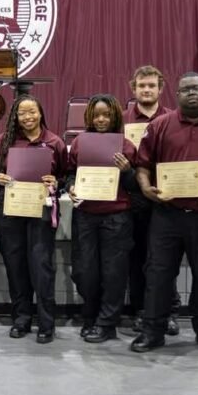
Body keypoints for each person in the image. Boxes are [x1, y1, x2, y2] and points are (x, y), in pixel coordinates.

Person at [131, 73, 198, 354]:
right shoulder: (160, 125)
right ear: (176, 95)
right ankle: (153, 331)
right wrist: (146, 188)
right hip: (167, 215)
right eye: (185, 89)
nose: (191, 93)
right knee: (158, 275)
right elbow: (142, 166)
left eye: (196, 88)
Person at [0, 95, 68, 344]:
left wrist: (56, 181)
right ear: (15, 116)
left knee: (41, 267)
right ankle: (21, 319)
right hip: (10, 212)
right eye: (22, 113)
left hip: (41, 212)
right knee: (16, 266)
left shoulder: (54, 142)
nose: (27, 117)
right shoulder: (4, 141)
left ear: (40, 113)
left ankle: (46, 323)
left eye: (32, 112)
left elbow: (65, 176)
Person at [66, 94, 136, 343]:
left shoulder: (126, 145)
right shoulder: (79, 143)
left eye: (107, 115)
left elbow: (135, 185)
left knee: (113, 273)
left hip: (116, 217)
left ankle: (106, 323)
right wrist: (71, 186)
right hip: (85, 215)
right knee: (85, 271)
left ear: (115, 116)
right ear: (89, 117)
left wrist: (127, 171)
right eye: (96, 115)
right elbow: (70, 174)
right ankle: (90, 316)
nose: (101, 119)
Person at [124, 66, 181, 336]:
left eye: (151, 86)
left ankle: (168, 312)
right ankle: (141, 311)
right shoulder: (121, 121)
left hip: (166, 198)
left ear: (161, 89)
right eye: (141, 85)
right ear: (133, 88)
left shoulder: (174, 120)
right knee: (137, 259)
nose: (146, 90)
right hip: (133, 199)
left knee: (165, 260)